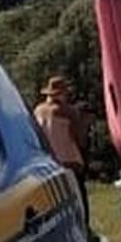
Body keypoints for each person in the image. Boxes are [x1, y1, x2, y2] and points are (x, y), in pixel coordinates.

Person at [34, 76, 92, 232]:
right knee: (79, 199)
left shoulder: (38, 111)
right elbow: (79, 138)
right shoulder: (68, 112)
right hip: (70, 161)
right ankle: (84, 229)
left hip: (47, 163)